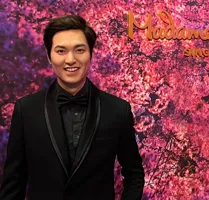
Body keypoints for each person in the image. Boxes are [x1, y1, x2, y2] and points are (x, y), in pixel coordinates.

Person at [0, 15, 145, 200]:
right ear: (49, 56)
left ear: (91, 54)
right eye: (61, 51)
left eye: (79, 50)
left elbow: (134, 174)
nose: (70, 59)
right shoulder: (26, 110)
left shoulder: (118, 110)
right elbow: (14, 182)